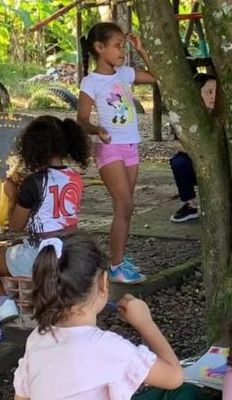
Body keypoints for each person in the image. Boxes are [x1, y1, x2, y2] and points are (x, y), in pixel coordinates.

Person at [13, 233, 200, 400]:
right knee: (185, 392)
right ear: (103, 282)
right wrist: (144, 322)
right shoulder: (108, 348)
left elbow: (21, 396)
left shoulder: (37, 338)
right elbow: (174, 377)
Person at [0, 115, 89, 323]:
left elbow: (16, 225)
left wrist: (13, 196)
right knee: (17, 246)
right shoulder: (76, 177)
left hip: (42, 255)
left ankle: (2, 305)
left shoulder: (34, 183)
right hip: (71, 250)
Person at [77, 22, 156, 284]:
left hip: (131, 145)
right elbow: (82, 119)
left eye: (123, 45)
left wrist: (142, 50)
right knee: (125, 205)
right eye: (117, 46)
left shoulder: (123, 74)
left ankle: (119, 260)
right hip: (109, 148)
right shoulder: (91, 82)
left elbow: (157, 78)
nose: (123, 51)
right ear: (100, 48)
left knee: (124, 208)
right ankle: (116, 265)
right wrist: (97, 129)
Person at [169, 73, 217, 223]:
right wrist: (201, 152)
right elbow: (177, 144)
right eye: (209, 92)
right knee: (179, 162)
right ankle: (190, 205)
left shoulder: (226, 115)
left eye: (216, 92)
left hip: (221, 163)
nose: (214, 96)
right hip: (197, 161)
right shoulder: (185, 116)